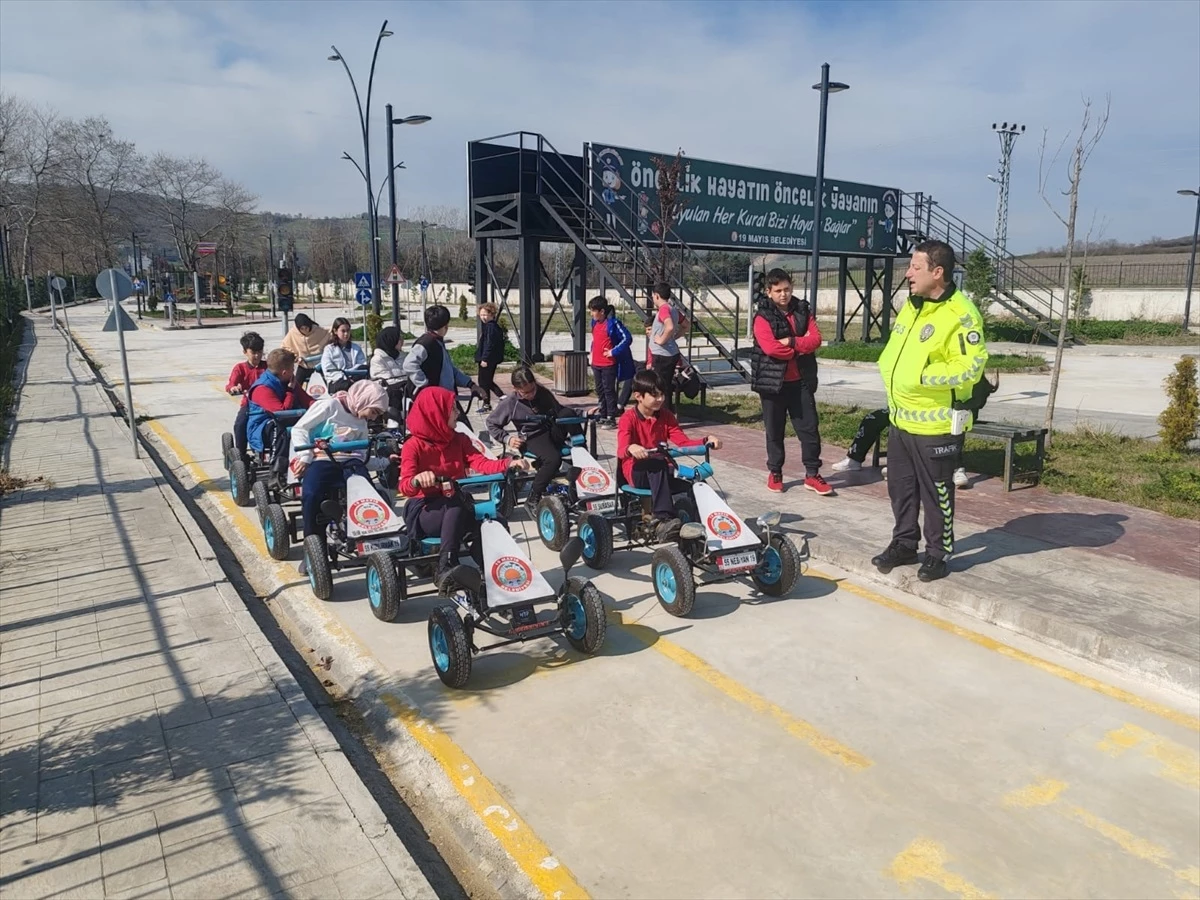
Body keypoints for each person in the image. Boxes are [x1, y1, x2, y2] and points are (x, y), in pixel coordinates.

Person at [871, 240, 989, 583]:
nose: (907, 273)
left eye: (915, 268)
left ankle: (938, 553)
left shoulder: (962, 314)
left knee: (937, 493)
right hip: (900, 419)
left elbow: (972, 366)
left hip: (934, 423)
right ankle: (905, 543)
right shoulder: (914, 305)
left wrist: (921, 377)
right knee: (901, 489)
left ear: (938, 273)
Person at [400, 387, 529, 585]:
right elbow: (405, 486)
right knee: (456, 505)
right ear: (437, 412)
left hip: (456, 503)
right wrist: (418, 479)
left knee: (495, 522)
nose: (458, 413)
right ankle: (446, 566)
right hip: (425, 510)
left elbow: (481, 463)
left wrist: (508, 463)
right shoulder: (414, 445)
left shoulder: (459, 439)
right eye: (453, 408)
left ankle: (497, 573)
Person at [289, 380, 391, 572]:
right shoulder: (329, 406)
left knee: (368, 492)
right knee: (311, 493)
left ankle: (367, 538)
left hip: (350, 462)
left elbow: (361, 455)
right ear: (363, 400)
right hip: (321, 458)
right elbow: (300, 428)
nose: (374, 417)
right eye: (374, 411)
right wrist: (305, 456)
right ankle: (312, 548)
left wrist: (385, 462)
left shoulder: (361, 420)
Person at [751, 268, 831, 496]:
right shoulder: (762, 317)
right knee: (774, 431)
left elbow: (816, 339)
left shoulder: (803, 310)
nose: (784, 295)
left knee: (809, 429)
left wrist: (792, 342)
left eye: (787, 289)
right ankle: (775, 472)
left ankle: (812, 474)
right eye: (778, 291)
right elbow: (770, 348)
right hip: (772, 383)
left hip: (801, 382)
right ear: (768, 292)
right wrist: (799, 348)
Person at [617, 370, 721, 542]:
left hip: (661, 472)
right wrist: (632, 447)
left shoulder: (666, 416)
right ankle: (663, 519)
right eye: (654, 395)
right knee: (658, 461)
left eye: (662, 395)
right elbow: (621, 449)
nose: (660, 399)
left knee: (690, 486)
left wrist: (706, 440)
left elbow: (682, 442)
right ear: (638, 396)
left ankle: (700, 529)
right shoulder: (628, 419)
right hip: (635, 473)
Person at [486, 366, 585, 510]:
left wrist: (583, 414)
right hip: (532, 436)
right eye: (526, 393)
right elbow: (491, 423)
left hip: (551, 429)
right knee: (553, 459)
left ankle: (583, 458)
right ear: (516, 389)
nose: (531, 394)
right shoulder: (510, 403)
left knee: (568, 414)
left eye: (533, 389)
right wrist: (507, 438)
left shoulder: (542, 392)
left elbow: (560, 410)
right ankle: (533, 498)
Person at [831, 407, 970, 488]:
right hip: (907, 407)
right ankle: (854, 459)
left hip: (943, 410)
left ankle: (957, 468)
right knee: (873, 418)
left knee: (949, 427)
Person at [402, 304, 488, 407]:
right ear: (444, 325)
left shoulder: (437, 341)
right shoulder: (426, 343)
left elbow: (449, 370)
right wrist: (425, 385)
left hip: (445, 398)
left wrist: (470, 384)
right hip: (433, 401)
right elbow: (409, 364)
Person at [245, 349, 312, 480]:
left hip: (288, 419)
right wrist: (290, 391)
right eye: (293, 368)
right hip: (262, 427)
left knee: (312, 422)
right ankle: (277, 472)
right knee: (279, 426)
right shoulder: (262, 388)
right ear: (284, 372)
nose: (294, 372)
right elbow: (282, 412)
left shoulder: (289, 380)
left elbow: (307, 400)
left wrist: (324, 408)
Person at [588, 296, 634, 429]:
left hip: (608, 364)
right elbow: (595, 340)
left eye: (593, 311)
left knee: (609, 390)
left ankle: (611, 417)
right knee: (600, 390)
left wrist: (613, 351)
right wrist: (591, 354)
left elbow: (627, 338)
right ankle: (603, 414)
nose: (591, 314)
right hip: (596, 363)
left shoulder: (613, 324)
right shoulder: (594, 323)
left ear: (602, 311)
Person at [225, 331, 265, 460]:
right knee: (240, 424)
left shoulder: (268, 366)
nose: (257, 355)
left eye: (260, 351)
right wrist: (234, 388)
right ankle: (241, 455)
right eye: (253, 352)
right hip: (249, 404)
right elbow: (231, 384)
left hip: (268, 403)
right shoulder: (240, 368)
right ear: (245, 352)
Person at [646, 282, 684, 412]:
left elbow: (670, 326)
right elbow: (686, 325)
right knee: (665, 386)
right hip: (671, 353)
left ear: (656, 295)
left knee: (660, 387)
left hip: (662, 355)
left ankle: (663, 416)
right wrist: (673, 337)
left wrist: (662, 340)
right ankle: (666, 415)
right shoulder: (673, 309)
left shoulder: (663, 309)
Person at [320, 317, 367, 393]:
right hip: (337, 381)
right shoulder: (329, 349)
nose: (346, 334)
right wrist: (344, 377)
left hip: (354, 378)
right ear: (335, 331)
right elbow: (328, 369)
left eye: (348, 331)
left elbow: (361, 365)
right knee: (348, 385)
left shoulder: (356, 348)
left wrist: (352, 376)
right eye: (343, 331)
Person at [474, 303, 506, 413]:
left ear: (492, 315)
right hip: (491, 358)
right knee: (487, 381)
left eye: (485, 314)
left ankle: (492, 402)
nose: (483, 317)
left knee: (484, 382)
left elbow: (489, 344)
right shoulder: (492, 326)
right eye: (481, 314)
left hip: (487, 359)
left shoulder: (490, 327)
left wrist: (485, 358)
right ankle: (499, 398)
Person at [281, 313, 330, 385]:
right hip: (304, 364)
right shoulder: (293, 333)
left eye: (306, 328)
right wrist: (295, 357)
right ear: (298, 328)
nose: (305, 330)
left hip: (319, 363)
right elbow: (285, 346)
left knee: (329, 381)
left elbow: (329, 332)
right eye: (302, 329)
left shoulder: (317, 330)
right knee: (296, 384)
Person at [369, 325, 409, 412]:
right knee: (395, 393)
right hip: (389, 391)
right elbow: (385, 380)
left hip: (405, 388)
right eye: (399, 339)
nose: (402, 341)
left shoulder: (403, 356)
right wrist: (403, 383)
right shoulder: (378, 359)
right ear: (391, 340)